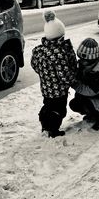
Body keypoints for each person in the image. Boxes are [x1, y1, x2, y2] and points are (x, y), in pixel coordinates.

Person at [31, 10, 77, 138]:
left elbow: (35, 66)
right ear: (60, 36)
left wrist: (45, 74)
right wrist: (72, 79)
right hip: (59, 91)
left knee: (48, 105)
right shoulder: (60, 54)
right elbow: (64, 75)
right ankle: (53, 130)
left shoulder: (39, 51)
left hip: (46, 89)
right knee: (59, 110)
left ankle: (45, 123)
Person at [69, 38, 99, 130]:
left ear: (92, 60)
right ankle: (92, 114)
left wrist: (74, 84)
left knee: (86, 101)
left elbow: (91, 91)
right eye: (80, 58)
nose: (81, 61)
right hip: (93, 97)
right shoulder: (86, 64)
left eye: (84, 59)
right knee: (75, 103)